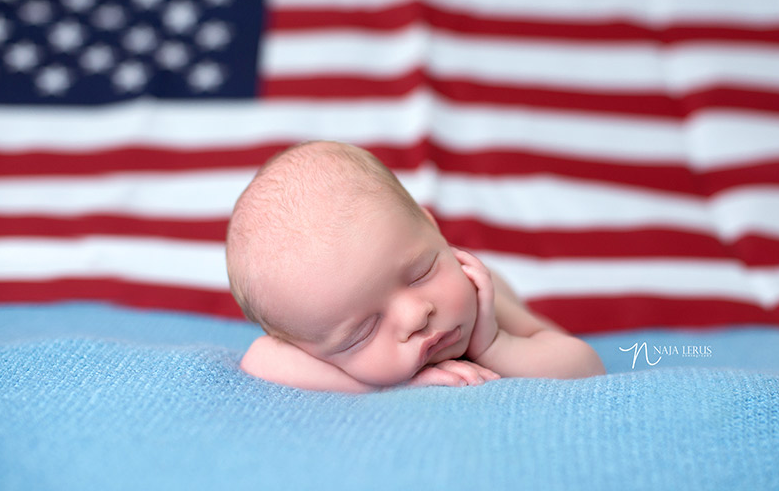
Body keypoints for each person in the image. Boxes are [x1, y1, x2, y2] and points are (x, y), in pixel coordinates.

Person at [226, 141, 605, 392]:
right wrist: (396, 385)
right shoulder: (308, 335)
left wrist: (493, 344)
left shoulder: (479, 298)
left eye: (421, 272)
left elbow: (584, 365)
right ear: (309, 349)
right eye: (363, 331)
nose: (416, 316)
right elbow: (260, 358)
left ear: (434, 230)